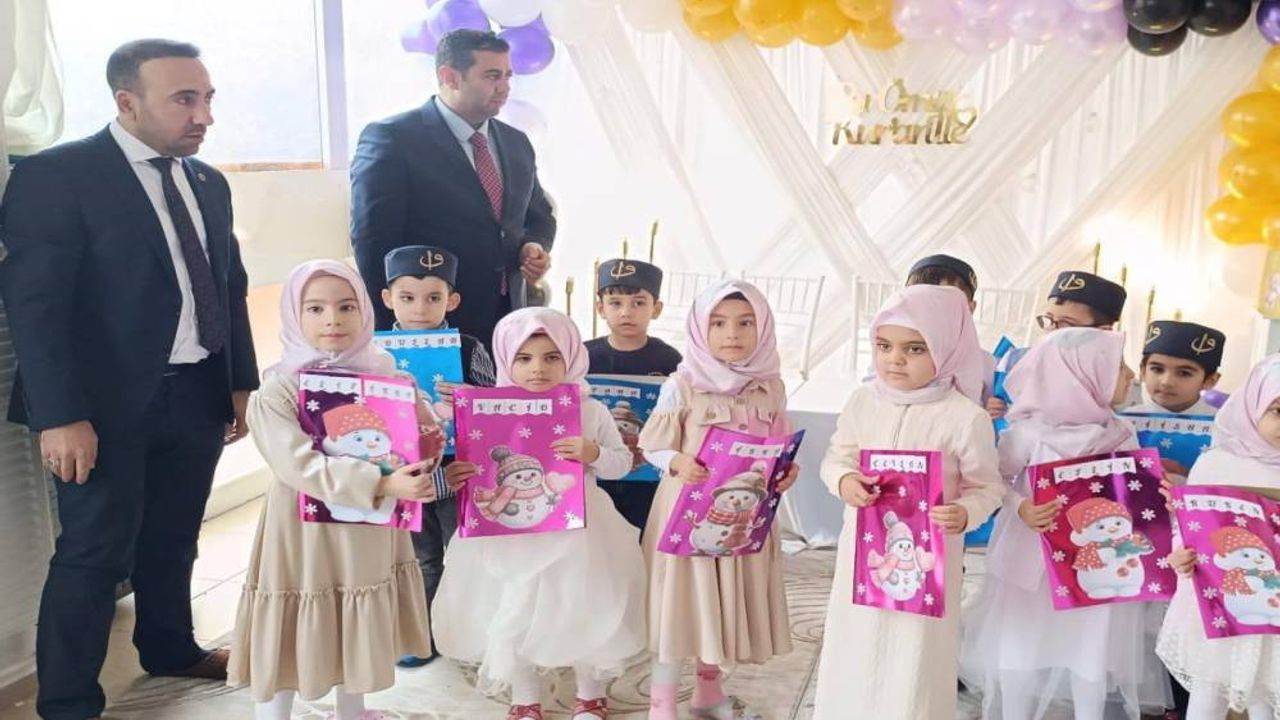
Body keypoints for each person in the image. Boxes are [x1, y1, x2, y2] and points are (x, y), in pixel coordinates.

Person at [0, 39, 259, 720]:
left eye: (207, 99)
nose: (204, 115)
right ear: (127, 101)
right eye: (184, 99)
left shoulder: (207, 182)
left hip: (197, 391)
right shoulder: (58, 176)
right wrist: (60, 415)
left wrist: (238, 382)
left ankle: (170, 648)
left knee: (174, 536)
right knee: (94, 550)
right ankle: (67, 701)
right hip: (101, 408)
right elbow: (36, 305)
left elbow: (228, 286)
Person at [227, 260, 440, 720]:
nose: (332, 320)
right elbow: (298, 465)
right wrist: (382, 482)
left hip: (368, 526)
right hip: (304, 532)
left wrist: (426, 440)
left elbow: (413, 447)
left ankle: (352, 709)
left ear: (364, 311)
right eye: (315, 308)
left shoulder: (389, 380)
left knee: (354, 611)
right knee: (294, 616)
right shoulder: (279, 391)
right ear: (294, 315)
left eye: (346, 307)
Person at [430, 307, 647, 720]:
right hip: (508, 534)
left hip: (580, 532)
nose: (538, 369)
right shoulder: (485, 409)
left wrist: (593, 453)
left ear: (572, 357)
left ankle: (590, 695)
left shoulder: (589, 410)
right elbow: (475, 465)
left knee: (582, 605)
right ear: (504, 359)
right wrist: (462, 474)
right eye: (524, 358)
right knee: (513, 608)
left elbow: (621, 463)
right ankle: (525, 696)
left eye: (552, 357)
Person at [814, 285, 1004, 720]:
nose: (895, 360)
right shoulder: (863, 401)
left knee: (915, 654)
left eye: (915, 348)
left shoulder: (965, 417)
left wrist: (966, 512)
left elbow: (987, 487)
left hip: (928, 562)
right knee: (855, 642)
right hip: (864, 555)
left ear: (948, 347)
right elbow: (836, 457)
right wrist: (844, 480)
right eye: (884, 346)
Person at [960, 328, 1171, 719]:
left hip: (1096, 564)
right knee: (1021, 646)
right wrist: (1021, 506)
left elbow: (1130, 491)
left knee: (1090, 648)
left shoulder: (1121, 432)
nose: (1130, 376)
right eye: (1118, 367)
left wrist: (1155, 492)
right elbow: (992, 480)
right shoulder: (1027, 432)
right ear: (1079, 376)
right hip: (1031, 562)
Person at [637, 280, 801, 720]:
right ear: (699, 329)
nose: (732, 334)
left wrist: (785, 472)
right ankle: (661, 706)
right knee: (680, 609)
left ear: (763, 329)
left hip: (744, 519)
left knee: (724, 606)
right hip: (687, 517)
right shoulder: (684, 384)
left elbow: (777, 447)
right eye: (719, 323)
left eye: (746, 323)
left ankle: (708, 693)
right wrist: (677, 462)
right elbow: (651, 445)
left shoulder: (771, 386)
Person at [350, 29, 556, 345]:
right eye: (492, 76)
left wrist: (534, 246)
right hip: (429, 327)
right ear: (450, 76)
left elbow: (538, 217)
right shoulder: (393, 139)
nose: (504, 87)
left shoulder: (516, 142)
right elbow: (373, 241)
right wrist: (393, 330)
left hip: (508, 321)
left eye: (507, 76)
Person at [378, 245, 496, 668]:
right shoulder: (374, 352)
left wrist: (470, 397)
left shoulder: (467, 347)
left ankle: (470, 632)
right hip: (405, 473)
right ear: (388, 298)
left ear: (453, 300)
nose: (420, 309)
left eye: (433, 297)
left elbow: (495, 410)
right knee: (420, 558)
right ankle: (421, 634)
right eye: (407, 297)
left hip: (458, 470)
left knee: (464, 553)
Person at [1157, 355, 1280, 720]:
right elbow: (1188, 525)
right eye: (1278, 411)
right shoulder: (1217, 462)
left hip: (1274, 607)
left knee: (1269, 693)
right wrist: (1180, 555)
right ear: (1253, 406)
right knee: (1210, 688)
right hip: (1219, 601)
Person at [586, 258, 682, 533]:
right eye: (615, 303)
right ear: (600, 308)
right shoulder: (584, 356)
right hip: (597, 469)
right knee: (601, 536)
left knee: (644, 534)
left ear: (656, 309)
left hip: (648, 476)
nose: (626, 312)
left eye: (638, 303)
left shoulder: (669, 359)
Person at [987, 269, 1128, 419]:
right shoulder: (1018, 362)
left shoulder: (1110, 375)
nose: (1052, 332)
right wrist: (992, 409)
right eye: (1049, 320)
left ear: (1102, 333)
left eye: (1065, 324)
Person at [1127, 320, 1224, 416]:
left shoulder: (1222, 423)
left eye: (1184, 373)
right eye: (1157, 369)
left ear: (1210, 381)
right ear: (1143, 371)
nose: (1166, 382)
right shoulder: (1126, 420)